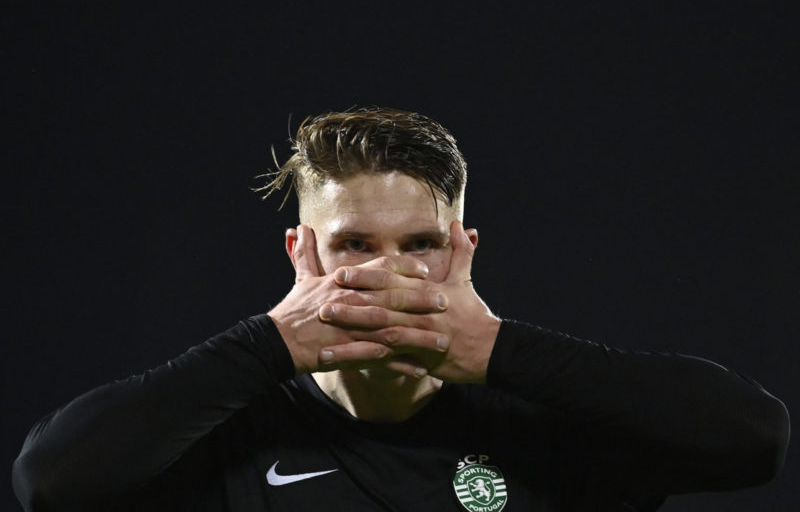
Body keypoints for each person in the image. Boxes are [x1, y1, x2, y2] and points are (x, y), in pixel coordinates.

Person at [13, 108, 790, 511]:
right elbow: (52, 483)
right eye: (353, 244)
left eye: (419, 242)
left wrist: (499, 350)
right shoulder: (226, 432)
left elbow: (752, 439)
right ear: (300, 252)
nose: (388, 270)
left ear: (463, 250)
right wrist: (269, 345)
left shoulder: (542, 425)